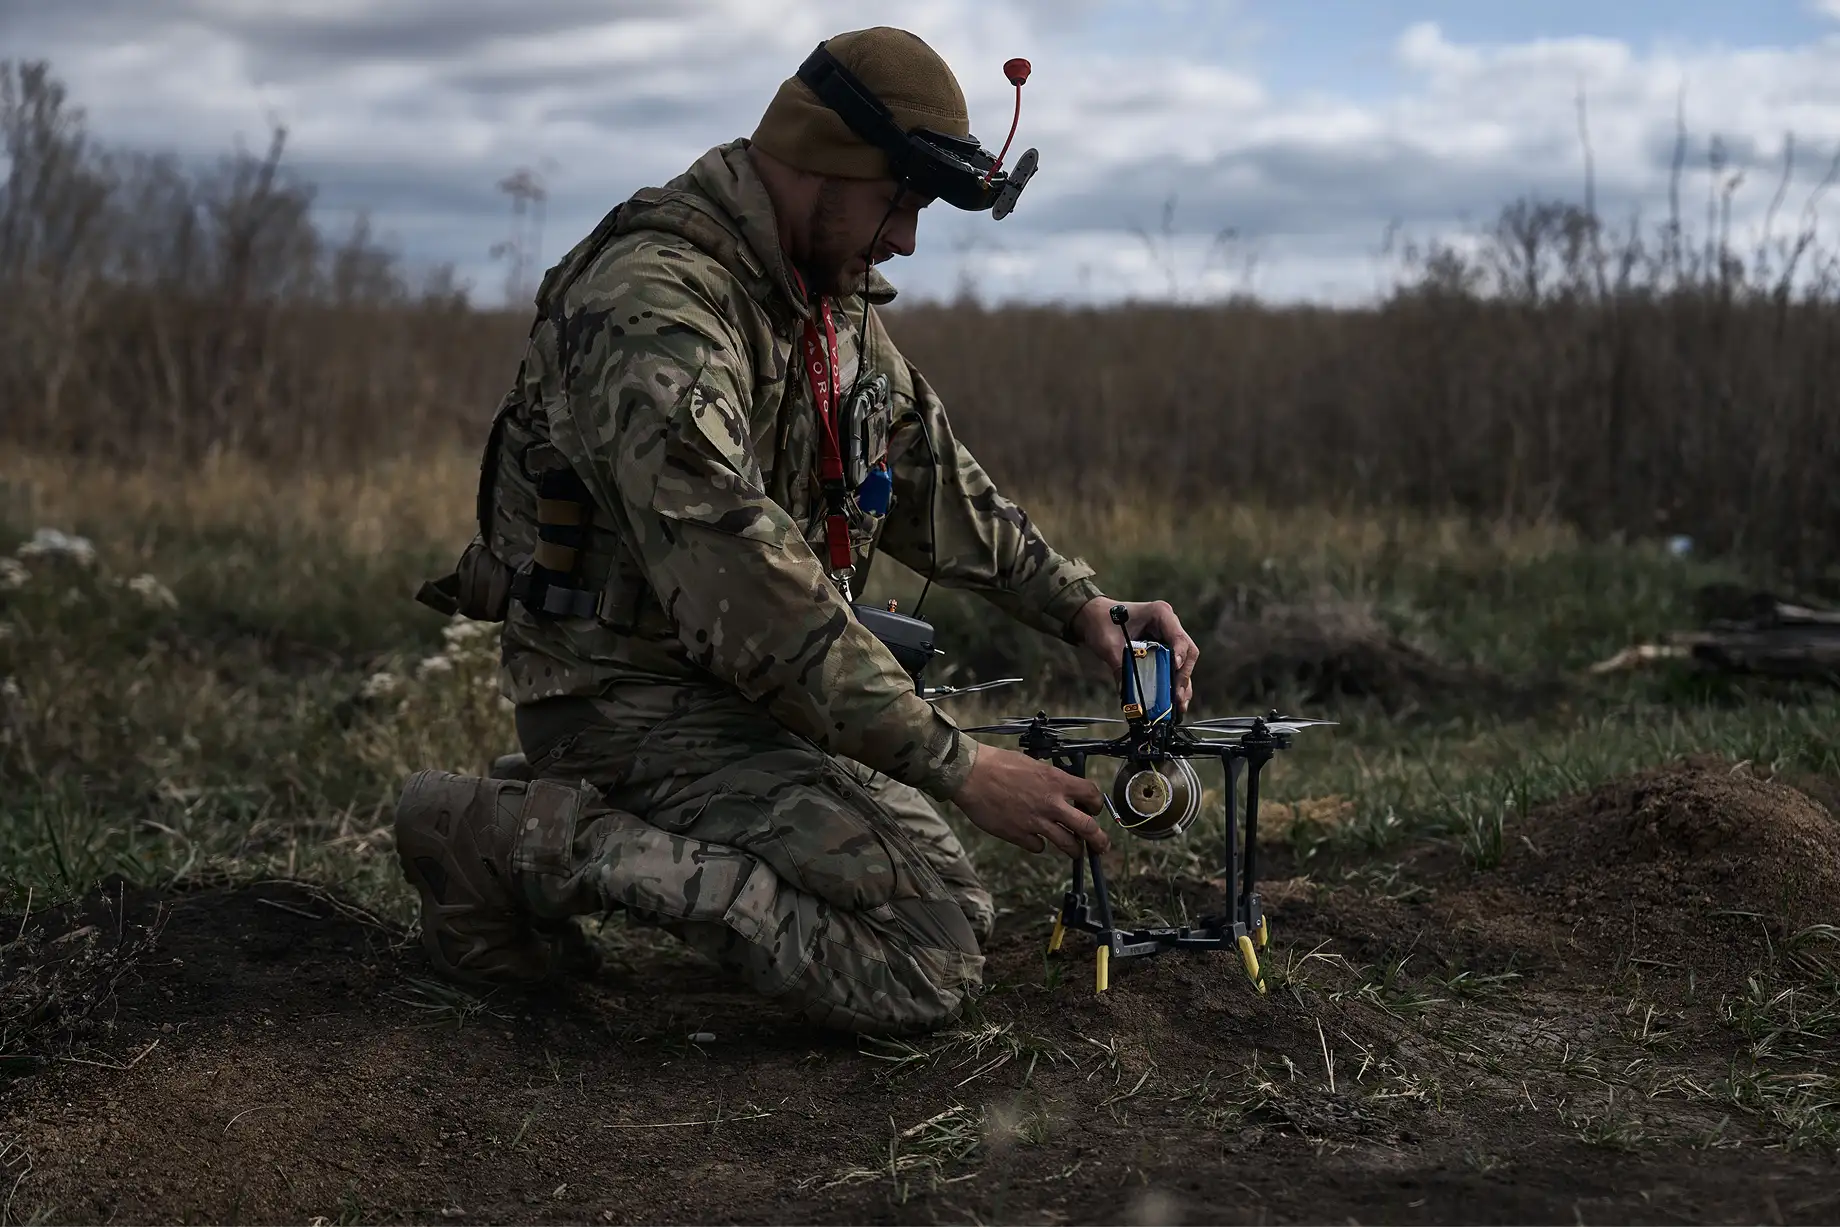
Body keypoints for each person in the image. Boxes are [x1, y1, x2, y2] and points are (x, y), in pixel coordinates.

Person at [394, 26, 1200, 1035]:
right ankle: (503, 838)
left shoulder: (824, 302)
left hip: (745, 693)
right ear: (823, 159)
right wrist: (958, 766)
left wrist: (1082, 606)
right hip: (629, 701)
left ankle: (569, 824)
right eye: (897, 200)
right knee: (926, 950)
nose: (905, 237)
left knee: (921, 889)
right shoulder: (657, 309)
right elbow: (750, 588)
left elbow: (925, 478)